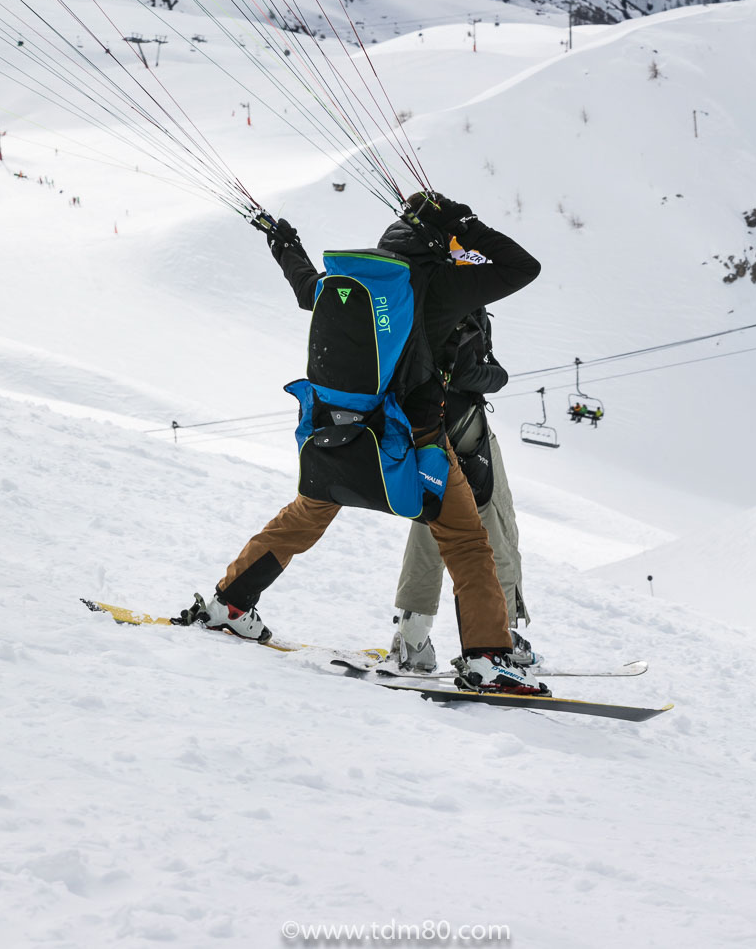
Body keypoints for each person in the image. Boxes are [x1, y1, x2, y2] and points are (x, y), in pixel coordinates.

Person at [181, 192, 545, 693]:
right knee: (464, 541)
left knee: (300, 520)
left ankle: (228, 605)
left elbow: (306, 287)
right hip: (409, 446)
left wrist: (286, 247)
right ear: (441, 242)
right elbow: (522, 267)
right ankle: (486, 659)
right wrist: (467, 225)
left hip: (339, 437)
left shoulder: (353, 283)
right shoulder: (438, 285)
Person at [389, 289, 537, 674]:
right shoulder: (456, 289)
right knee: (495, 529)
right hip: (463, 430)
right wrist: (498, 374)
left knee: (431, 527)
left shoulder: (402, 288)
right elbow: (467, 372)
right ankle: (500, 639)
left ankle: (412, 636)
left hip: (415, 429)